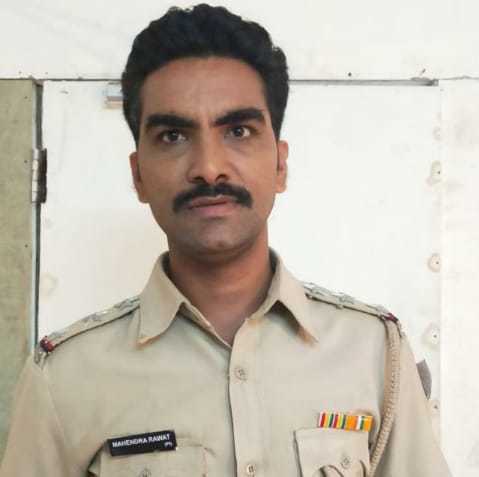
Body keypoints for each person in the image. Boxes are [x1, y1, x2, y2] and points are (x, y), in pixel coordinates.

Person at [0, 4, 451, 476]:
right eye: (173, 136)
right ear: (138, 176)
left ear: (280, 164)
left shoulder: (373, 353)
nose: (209, 167)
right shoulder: (65, 379)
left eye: (238, 131)